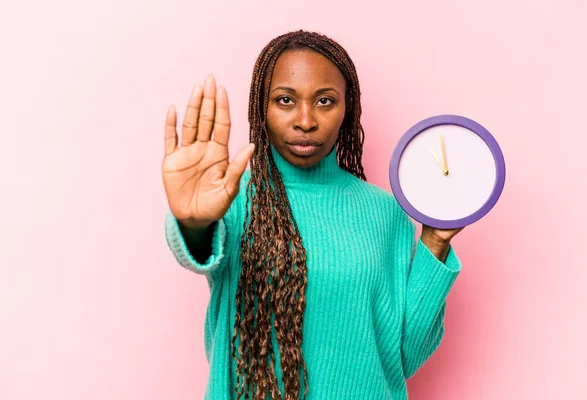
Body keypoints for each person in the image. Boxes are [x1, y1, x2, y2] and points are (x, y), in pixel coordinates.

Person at [162, 30, 463, 400]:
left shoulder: (384, 213)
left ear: (346, 109)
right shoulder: (231, 198)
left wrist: (435, 240)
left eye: (324, 101)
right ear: (262, 108)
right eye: (285, 100)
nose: (305, 120)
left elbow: (402, 355)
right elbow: (199, 248)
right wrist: (193, 222)